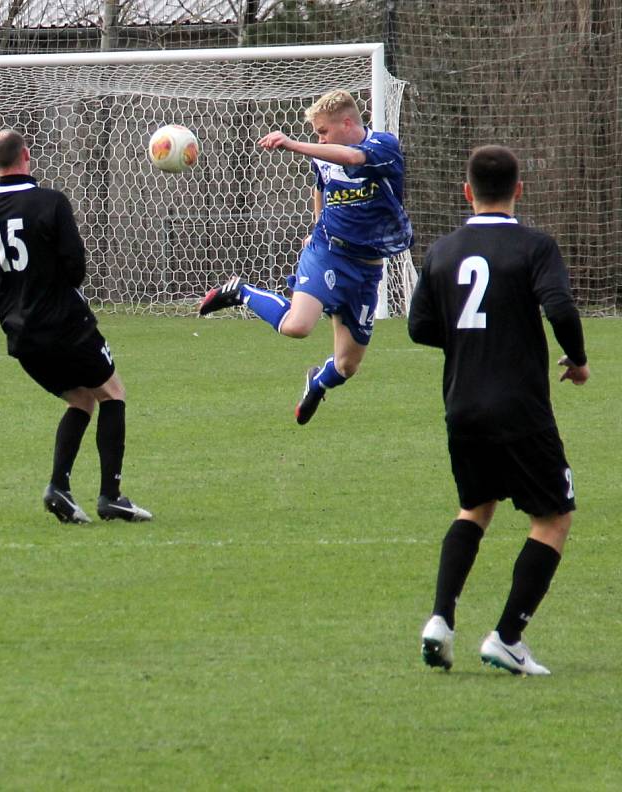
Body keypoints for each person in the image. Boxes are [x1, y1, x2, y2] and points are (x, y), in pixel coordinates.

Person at [409, 145, 590, 675]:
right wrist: (577, 360)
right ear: (519, 190)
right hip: (519, 407)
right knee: (554, 517)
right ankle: (508, 637)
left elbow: (420, 327)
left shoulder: (442, 250)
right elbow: (558, 305)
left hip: (462, 404)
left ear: (467, 192)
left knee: (475, 508)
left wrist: (470, 340)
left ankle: (439, 621)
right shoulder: (534, 246)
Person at [198, 89, 413, 424]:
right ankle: (240, 291)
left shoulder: (383, 146)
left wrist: (292, 144)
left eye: (322, 132)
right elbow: (320, 185)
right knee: (298, 326)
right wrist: (316, 226)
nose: (319, 139)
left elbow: (353, 159)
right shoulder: (323, 153)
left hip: (366, 268)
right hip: (327, 252)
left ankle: (317, 382)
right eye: (315, 135)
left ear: (346, 122)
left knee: (346, 366)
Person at [0, 129, 151, 525]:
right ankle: (111, 496)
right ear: (27, 155)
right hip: (64, 324)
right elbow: (75, 269)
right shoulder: (50, 201)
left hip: (20, 331)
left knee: (80, 399)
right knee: (113, 393)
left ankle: (60, 488)